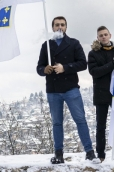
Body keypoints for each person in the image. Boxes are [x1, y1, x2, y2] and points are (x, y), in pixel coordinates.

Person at [36, 16, 97, 164]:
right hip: (53, 89)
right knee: (57, 122)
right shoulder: (46, 46)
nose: (59, 27)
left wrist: (65, 68)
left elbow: (83, 64)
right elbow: (39, 68)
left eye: (62, 25)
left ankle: (89, 152)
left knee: (80, 120)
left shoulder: (74, 44)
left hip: (71, 88)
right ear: (52, 27)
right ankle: (59, 154)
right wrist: (45, 69)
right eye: (57, 25)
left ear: (66, 27)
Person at [88, 26, 114, 162]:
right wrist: (113, 64)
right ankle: (100, 155)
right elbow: (95, 72)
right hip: (101, 94)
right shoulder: (93, 53)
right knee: (101, 126)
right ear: (98, 38)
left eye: (105, 34)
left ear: (110, 35)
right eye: (101, 35)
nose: (103, 37)